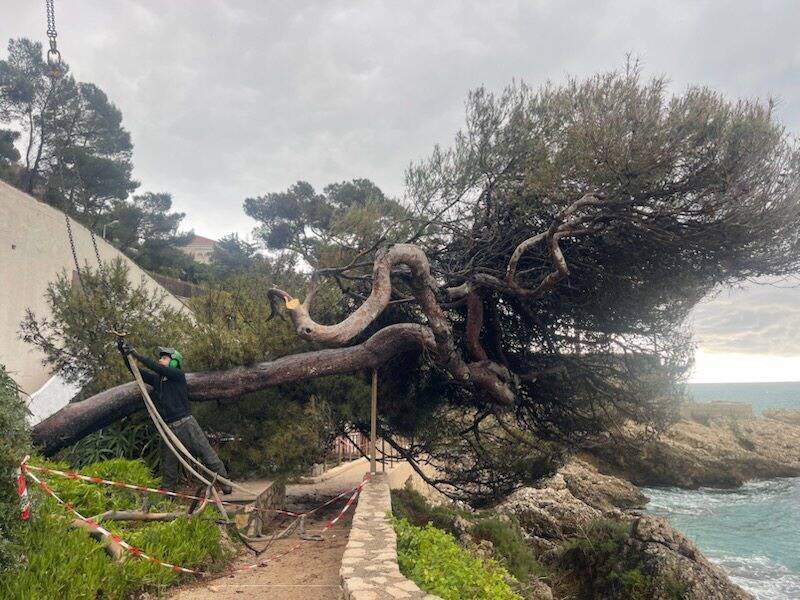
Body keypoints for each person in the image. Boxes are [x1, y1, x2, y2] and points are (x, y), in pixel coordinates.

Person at [118, 340, 232, 494]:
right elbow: (135, 371)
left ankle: (225, 483)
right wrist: (125, 354)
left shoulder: (177, 375)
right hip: (168, 428)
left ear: (174, 362)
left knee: (207, 454)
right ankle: (168, 493)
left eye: (164, 358)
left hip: (186, 424)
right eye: (160, 358)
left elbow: (156, 367)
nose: (160, 360)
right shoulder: (157, 380)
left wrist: (137, 354)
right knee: (168, 464)